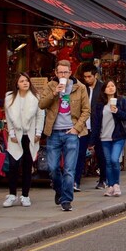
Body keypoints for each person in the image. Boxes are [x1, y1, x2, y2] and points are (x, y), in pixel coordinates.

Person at [39, 60, 91, 212]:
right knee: (53, 167)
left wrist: (76, 128)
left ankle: (66, 200)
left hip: (71, 132)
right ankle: (59, 189)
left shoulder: (80, 87)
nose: (63, 75)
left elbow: (86, 110)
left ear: (70, 73)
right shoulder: (49, 86)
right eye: (60, 72)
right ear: (56, 73)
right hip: (53, 133)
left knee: (69, 169)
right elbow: (41, 104)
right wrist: (54, 93)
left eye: (65, 72)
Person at [3, 73, 44, 208]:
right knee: (13, 165)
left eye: (27, 80)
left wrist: (38, 132)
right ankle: (12, 194)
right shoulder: (9, 98)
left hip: (30, 135)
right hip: (15, 136)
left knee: (27, 165)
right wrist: (12, 133)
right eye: (22, 81)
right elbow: (8, 118)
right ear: (17, 83)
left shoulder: (35, 97)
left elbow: (40, 116)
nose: (25, 83)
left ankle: (25, 195)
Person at [94, 79, 126, 197]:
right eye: (108, 86)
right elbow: (96, 123)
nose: (111, 88)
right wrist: (93, 139)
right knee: (107, 162)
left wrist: (117, 111)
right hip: (104, 137)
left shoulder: (121, 101)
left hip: (118, 136)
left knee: (113, 159)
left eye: (113, 86)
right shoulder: (100, 105)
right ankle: (110, 186)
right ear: (104, 90)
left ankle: (116, 184)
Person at [75, 64, 106, 190]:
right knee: (80, 154)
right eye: (85, 77)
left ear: (96, 76)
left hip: (98, 127)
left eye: (89, 77)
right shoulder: (82, 88)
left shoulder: (103, 87)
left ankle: (103, 179)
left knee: (100, 154)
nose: (87, 79)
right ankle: (76, 181)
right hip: (84, 127)